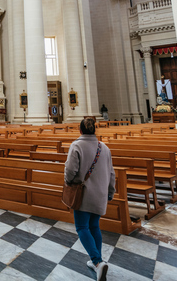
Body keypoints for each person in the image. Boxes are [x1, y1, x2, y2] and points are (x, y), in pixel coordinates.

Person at [64, 117, 116, 280]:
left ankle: (97, 261)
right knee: (94, 226)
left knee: (81, 227)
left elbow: (70, 170)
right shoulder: (104, 148)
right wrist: (111, 191)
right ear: (95, 130)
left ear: (80, 130)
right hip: (100, 193)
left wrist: (68, 181)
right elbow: (111, 173)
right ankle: (97, 264)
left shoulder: (77, 145)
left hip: (83, 194)